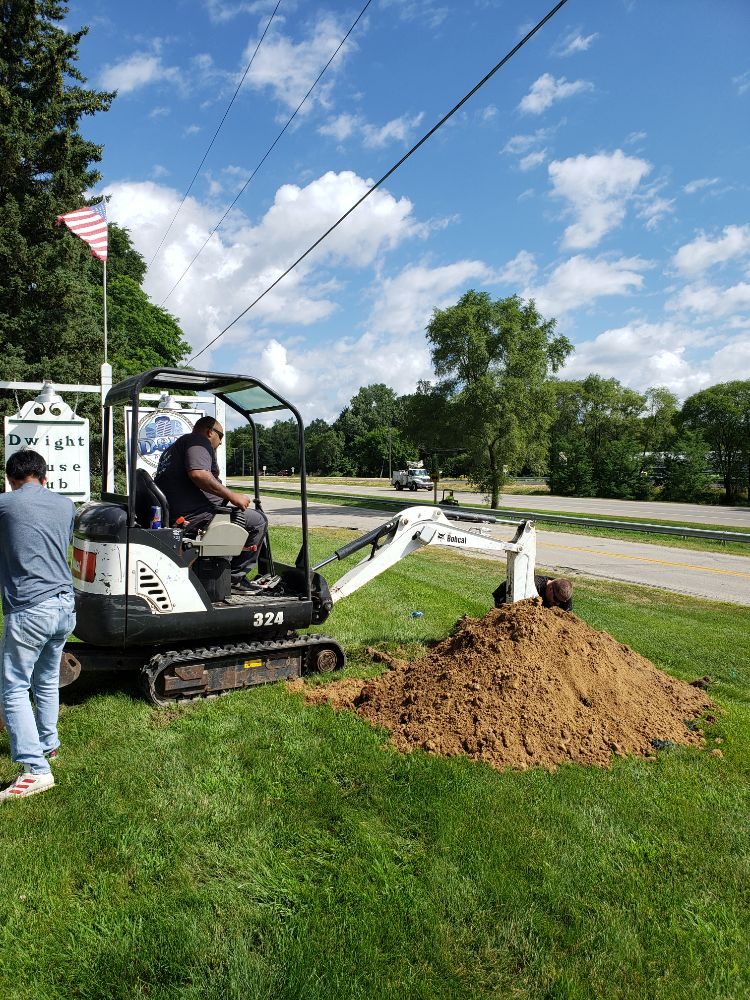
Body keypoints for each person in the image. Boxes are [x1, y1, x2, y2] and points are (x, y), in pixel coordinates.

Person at [0, 450, 76, 802]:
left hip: (30, 608)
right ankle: (49, 745)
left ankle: (35, 769)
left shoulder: (6, 504)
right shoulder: (66, 505)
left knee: (14, 687)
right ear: (44, 477)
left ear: (12, 480)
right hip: (64, 604)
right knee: (46, 680)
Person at [154, 416, 267, 591]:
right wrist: (232, 496)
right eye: (220, 437)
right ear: (210, 432)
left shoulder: (175, 448)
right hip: (196, 515)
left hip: (182, 512)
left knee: (244, 517)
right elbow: (199, 474)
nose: (221, 443)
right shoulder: (198, 441)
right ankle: (234, 578)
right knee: (258, 521)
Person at [493, 575, 573, 611]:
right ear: (550, 589)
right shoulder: (531, 586)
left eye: (561, 602)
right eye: (555, 599)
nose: (557, 603)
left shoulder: (563, 596)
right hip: (505, 595)